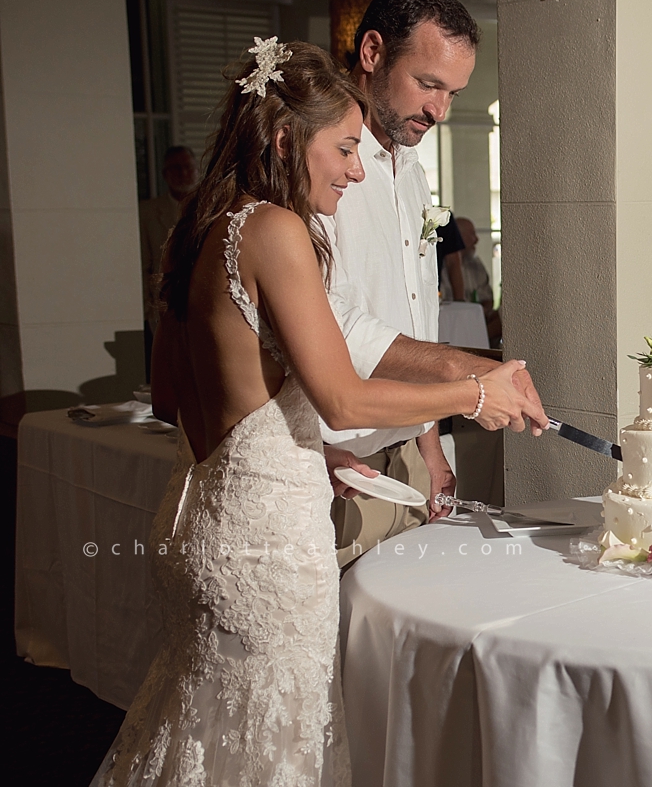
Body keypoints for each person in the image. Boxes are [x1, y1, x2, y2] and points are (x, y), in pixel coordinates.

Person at [92, 41, 537, 787]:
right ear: (282, 140)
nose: (356, 170)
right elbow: (342, 397)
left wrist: (296, 444)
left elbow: (175, 395)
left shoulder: (198, 226)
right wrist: (474, 393)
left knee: (207, 735)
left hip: (197, 523)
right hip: (267, 548)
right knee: (277, 750)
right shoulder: (274, 229)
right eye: (344, 148)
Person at [320, 0, 545, 567]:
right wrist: (471, 373)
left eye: (453, 93)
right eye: (428, 84)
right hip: (339, 459)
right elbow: (330, 322)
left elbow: (415, 315)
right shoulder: (320, 168)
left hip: (407, 453)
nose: (439, 111)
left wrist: (430, 445)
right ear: (372, 54)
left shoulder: (412, 167)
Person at [138, 145, 199, 375]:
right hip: (164, 305)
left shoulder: (211, 206)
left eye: (188, 168)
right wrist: (148, 310)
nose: (183, 174)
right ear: (165, 174)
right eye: (176, 169)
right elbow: (143, 265)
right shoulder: (148, 212)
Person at [452, 216, 502, 346]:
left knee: (503, 317)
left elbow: (487, 297)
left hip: (479, 317)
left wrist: (484, 310)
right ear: (458, 237)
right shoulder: (443, 267)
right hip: (457, 320)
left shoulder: (476, 263)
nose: (476, 240)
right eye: (471, 234)